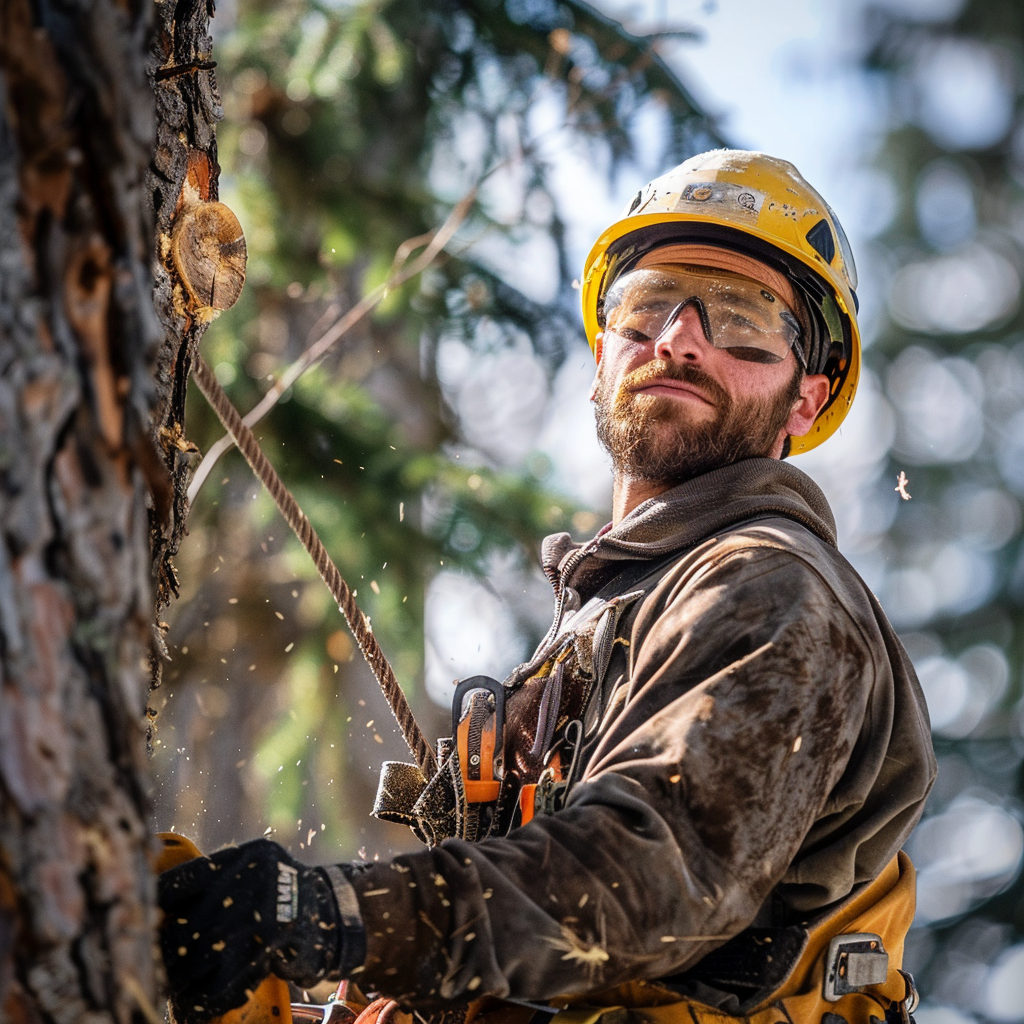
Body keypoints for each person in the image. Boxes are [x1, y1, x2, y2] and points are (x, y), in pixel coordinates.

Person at [159, 150, 936, 1024]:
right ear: (603, 354)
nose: (679, 338)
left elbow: (647, 880)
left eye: (742, 318)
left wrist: (328, 915)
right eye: (649, 306)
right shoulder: (625, 602)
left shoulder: (772, 587)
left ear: (807, 398)